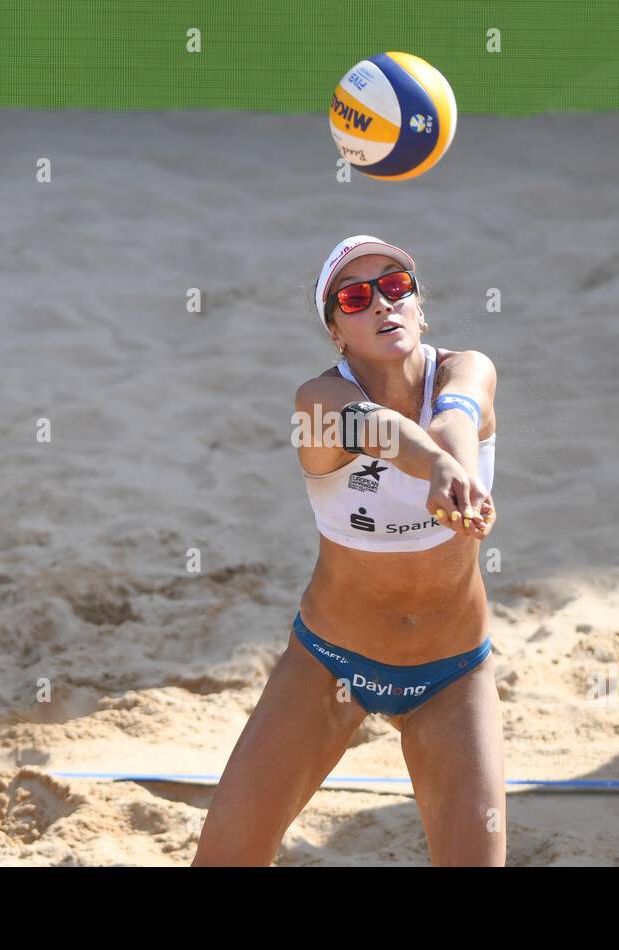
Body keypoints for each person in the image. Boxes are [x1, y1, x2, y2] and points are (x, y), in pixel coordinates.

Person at [192, 235, 503, 866]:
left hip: (454, 673)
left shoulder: (467, 369)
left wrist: (452, 470)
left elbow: (456, 420)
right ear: (337, 333)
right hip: (330, 662)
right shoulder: (318, 402)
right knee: (227, 854)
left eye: (395, 287)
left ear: (420, 308)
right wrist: (439, 470)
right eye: (356, 298)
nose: (383, 304)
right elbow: (378, 430)